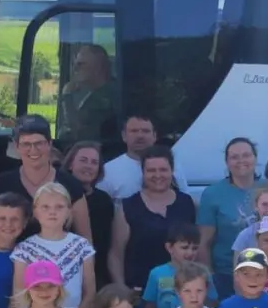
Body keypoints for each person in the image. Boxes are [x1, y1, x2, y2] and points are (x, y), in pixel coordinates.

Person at [0, 116, 92, 241]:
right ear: (17, 146)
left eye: (39, 143)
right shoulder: (0, 185)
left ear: (49, 144)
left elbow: (85, 239)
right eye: (26, 144)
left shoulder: (71, 185)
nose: (33, 150)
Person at [109, 146, 196, 291]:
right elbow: (116, 254)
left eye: (163, 170)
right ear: (143, 173)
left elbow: (198, 248)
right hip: (140, 292)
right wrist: (121, 288)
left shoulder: (188, 204)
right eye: (151, 170)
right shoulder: (128, 207)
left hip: (183, 291)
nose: (157, 175)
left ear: (172, 171)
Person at [10, 182, 96, 308]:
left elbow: (90, 292)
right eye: (45, 207)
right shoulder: (24, 249)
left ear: (69, 211)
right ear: (35, 211)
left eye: (59, 207)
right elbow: (19, 293)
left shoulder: (82, 246)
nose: (52, 212)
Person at [197, 137, 261, 298]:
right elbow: (203, 243)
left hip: (265, 273)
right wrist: (211, 281)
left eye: (246, 155)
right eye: (234, 157)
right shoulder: (213, 194)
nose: (241, 161)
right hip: (226, 275)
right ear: (227, 162)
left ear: (255, 158)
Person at [99, 115, 188, 200]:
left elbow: (184, 201)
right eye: (134, 131)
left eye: (146, 131)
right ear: (124, 136)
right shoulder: (108, 171)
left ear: (154, 136)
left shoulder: (173, 166)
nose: (140, 136)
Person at [61, 141, 112, 287]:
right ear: (70, 164)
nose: (89, 166)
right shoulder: (57, 196)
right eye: (83, 160)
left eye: (94, 162)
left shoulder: (104, 200)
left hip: (97, 274)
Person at [57, 43, 119, 145]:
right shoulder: (94, 93)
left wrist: (67, 96)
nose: (75, 69)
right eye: (74, 64)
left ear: (98, 67)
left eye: (81, 64)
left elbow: (78, 131)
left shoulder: (107, 97)